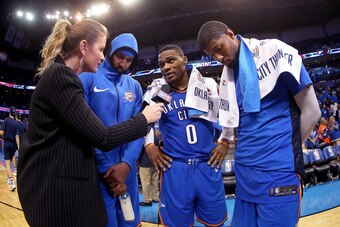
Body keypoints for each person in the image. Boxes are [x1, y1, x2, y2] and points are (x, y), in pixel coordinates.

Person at [17, 19, 164, 227]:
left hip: (100, 178)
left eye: (128, 59)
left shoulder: (130, 85)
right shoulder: (66, 77)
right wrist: (145, 118)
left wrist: (127, 165)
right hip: (66, 187)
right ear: (84, 47)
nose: (103, 56)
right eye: (102, 49)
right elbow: (101, 136)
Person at [197, 21, 321, 227]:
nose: (219, 58)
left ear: (230, 34)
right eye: (212, 55)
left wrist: (288, 148)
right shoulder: (228, 79)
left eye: (219, 48)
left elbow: (312, 111)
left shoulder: (274, 50)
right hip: (245, 175)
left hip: (278, 172)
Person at [143, 45, 229, 227]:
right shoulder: (158, 90)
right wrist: (149, 146)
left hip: (208, 165)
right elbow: (145, 121)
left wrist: (225, 141)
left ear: (185, 60)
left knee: (215, 223)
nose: (165, 67)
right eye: (161, 64)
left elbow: (228, 113)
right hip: (176, 169)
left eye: (171, 60)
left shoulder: (207, 84)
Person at [79, 33, 143, 227]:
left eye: (129, 60)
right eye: (119, 56)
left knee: (130, 222)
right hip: (100, 174)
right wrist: (108, 169)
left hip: (127, 173)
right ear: (110, 52)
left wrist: (127, 165)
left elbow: (140, 129)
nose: (123, 63)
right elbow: (84, 127)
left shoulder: (135, 86)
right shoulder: (88, 78)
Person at [138, 125, 161, 207]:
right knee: (154, 179)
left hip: (145, 159)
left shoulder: (146, 129)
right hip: (156, 160)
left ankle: (147, 200)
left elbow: (140, 146)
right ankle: (155, 197)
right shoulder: (157, 131)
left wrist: (138, 160)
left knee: (145, 181)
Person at [0, 106, 19, 191]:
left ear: (9, 112)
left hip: (7, 143)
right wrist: (18, 146)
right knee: (10, 162)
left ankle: (12, 182)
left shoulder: (6, 120)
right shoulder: (16, 122)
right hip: (13, 145)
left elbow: (2, 132)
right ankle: (8, 178)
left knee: (7, 164)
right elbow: (17, 136)